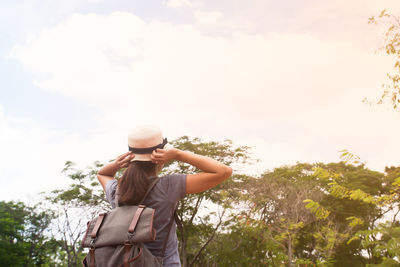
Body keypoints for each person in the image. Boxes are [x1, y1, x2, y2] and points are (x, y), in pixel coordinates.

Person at [97, 125, 232, 266]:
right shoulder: (169, 186)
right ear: (161, 158)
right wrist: (179, 154)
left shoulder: (118, 191)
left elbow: (102, 174)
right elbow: (223, 171)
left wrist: (117, 164)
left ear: (131, 157)